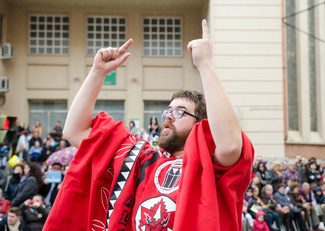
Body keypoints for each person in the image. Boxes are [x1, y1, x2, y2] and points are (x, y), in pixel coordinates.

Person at [44, 20, 254, 231]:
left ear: (202, 125)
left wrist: (204, 64)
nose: (169, 117)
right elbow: (75, 132)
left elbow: (230, 145)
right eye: (168, 111)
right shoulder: (139, 157)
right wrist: (97, 74)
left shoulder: (210, 163)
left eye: (179, 111)